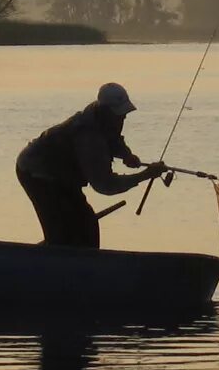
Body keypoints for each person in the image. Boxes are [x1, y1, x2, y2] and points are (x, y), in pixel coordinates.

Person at [16, 82, 166, 248]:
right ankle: (54, 259)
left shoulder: (101, 118)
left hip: (63, 176)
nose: (123, 118)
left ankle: (85, 263)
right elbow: (105, 185)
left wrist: (126, 155)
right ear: (105, 111)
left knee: (88, 225)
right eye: (119, 114)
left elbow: (113, 138)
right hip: (36, 173)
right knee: (60, 234)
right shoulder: (88, 138)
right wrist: (145, 175)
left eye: (124, 114)